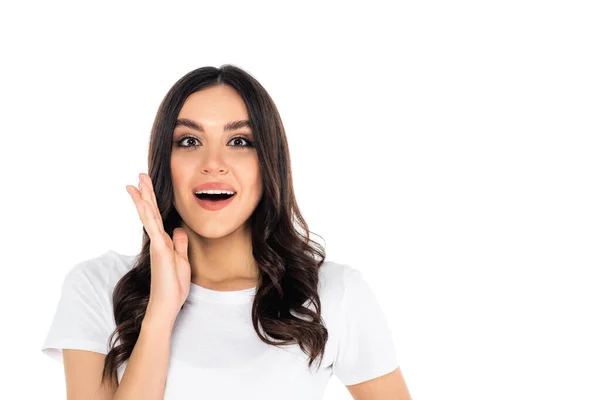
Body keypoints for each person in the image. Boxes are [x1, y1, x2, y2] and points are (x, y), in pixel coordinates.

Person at [40, 65, 412, 399]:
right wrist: (160, 311)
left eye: (239, 142)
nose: (213, 164)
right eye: (189, 141)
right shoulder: (97, 286)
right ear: (163, 162)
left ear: (268, 163)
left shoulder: (333, 294)